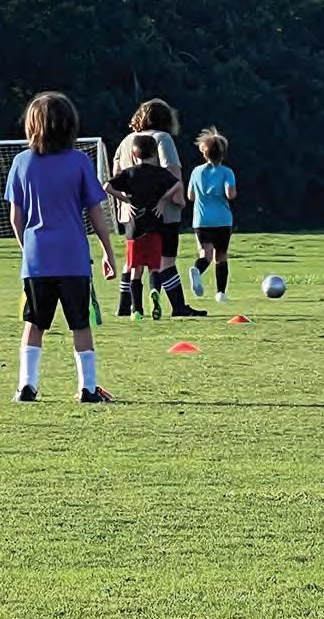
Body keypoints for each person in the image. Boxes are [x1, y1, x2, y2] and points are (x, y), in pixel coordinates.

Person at [4, 91, 116, 403]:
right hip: (73, 259)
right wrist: (107, 252)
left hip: (37, 259)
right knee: (80, 323)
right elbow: (96, 213)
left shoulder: (21, 162)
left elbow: (15, 216)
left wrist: (27, 247)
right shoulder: (80, 162)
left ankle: (27, 386)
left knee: (34, 323)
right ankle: (88, 388)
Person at [113, 99, 204, 319]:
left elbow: (116, 173)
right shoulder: (162, 139)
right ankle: (178, 306)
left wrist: (124, 203)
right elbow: (172, 172)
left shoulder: (126, 141)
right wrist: (178, 200)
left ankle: (126, 305)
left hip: (132, 213)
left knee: (132, 261)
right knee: (166, 259)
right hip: (161, 212)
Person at [103, 134, 183, 321]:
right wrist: (163, 200)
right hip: (155, 225)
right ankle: (154, 292)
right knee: (154, 267)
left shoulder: (129, 173)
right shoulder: (160, 173)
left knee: (135, 269)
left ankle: (137, 309)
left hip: (134, 229)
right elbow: (178, 184)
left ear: (134, 154)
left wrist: (125, 200)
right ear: (155, 153)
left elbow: (106, 186)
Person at [187, 127, 237, 303]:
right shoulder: (227, 172)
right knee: (221, 256)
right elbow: (230, 194)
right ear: (222, 153)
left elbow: (190, 196)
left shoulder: (196, 172)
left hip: (201, 220)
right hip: (222, 219)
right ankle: (220, 293)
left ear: (204, 153)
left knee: (206, 254)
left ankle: (197, 270)